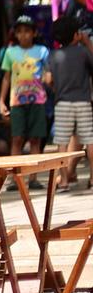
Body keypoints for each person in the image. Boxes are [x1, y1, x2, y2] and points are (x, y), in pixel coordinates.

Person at [47, 16, 93, 190]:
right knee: (89, 140)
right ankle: (92, 179)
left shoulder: (54, 55)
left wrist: (55, 88)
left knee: (62, 142)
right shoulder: (82, 52)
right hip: (83, 101)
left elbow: (48, 79)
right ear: (76, 35)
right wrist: (87, 42)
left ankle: (64, 179)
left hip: (62, 103)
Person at [0, 15, 51, 159]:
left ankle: (33, 178)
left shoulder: (42, 51)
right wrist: (1, 101)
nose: (23, 35)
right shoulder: (10, 52)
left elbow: (47, 73)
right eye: (20, 31)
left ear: (34, 33)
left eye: (27, 31)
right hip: (17, 101)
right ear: (15, 34)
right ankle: (15, 175)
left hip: (37, 100)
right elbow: (6, 78)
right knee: (17, 139)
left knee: (35, 139)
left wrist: (48, 78)